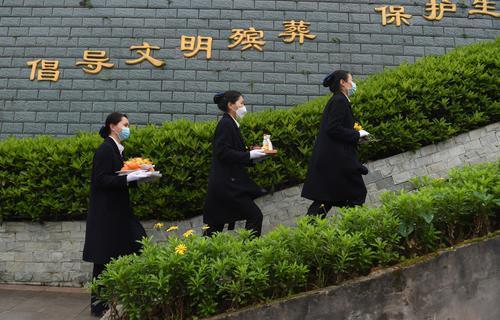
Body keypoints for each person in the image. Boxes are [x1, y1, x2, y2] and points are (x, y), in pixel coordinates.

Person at [83, 112, 150, 317]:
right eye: (125, 124)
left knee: (135, 245)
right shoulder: (106, 149)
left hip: (118, 212)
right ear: (113, 126)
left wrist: (139, 173)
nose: (129, 128)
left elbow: (118, 175)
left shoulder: (117, 150)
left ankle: (128, 296)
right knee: (104, 258)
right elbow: (102, 180)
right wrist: (130, 177)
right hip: (107, 214)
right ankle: (99, 305)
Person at [301, 70, 370, 218]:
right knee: (356, 195)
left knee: (328, 198)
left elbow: (336, 129)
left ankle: (309, 231)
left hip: (334, 162)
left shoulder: (338, 100)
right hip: (337, 162)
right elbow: (333, 128)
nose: (353, 84)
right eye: (351, 80)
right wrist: (357, 134)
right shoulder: (339, 101)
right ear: (342, 83)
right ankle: (351, 231)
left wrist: (357, 137)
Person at [203, 91, 268, 237]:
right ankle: (249, 252)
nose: (244, 107)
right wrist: (249, 155)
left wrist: (252, 153)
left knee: (214, 228)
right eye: (241, 103)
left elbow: (232, 151)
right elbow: (223, 152)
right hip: (227, 185)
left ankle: (201, 256)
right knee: (255, 215)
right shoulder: (226, 124)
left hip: (224, 184)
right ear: (231, 105)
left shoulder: (230, 123)